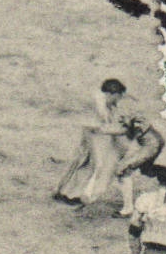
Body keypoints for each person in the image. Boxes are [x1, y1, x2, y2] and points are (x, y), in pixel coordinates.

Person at [55, 78, 130, 206]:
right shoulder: (99, 104)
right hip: (93, 135)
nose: (118, 100)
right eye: (118, 96)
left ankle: (67, 192)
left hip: (93, 134)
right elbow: (101, 124)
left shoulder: (103, 101)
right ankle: (70, 194)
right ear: (111, 93)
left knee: (86, 163)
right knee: (94, 164)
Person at [113, 116, 165, 217]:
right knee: (146, 171)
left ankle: (128, 209)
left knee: (123, 171)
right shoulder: (133, 114)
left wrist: (99, 129)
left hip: (151, 145)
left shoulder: (133, 117)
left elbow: (123, 131)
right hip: (152, 142)